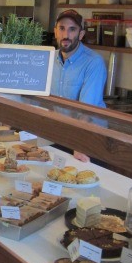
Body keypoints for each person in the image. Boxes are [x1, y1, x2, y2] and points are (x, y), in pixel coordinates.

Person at [51, 9, 107, 162]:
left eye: (72, 29)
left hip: (88, 141)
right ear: (55, 31)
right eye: (61, 28)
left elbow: (86, 110)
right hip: (62, 137)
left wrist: (78, 144)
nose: (66, 35)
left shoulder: (94, 62)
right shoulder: (48, 60)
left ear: (81, 34)